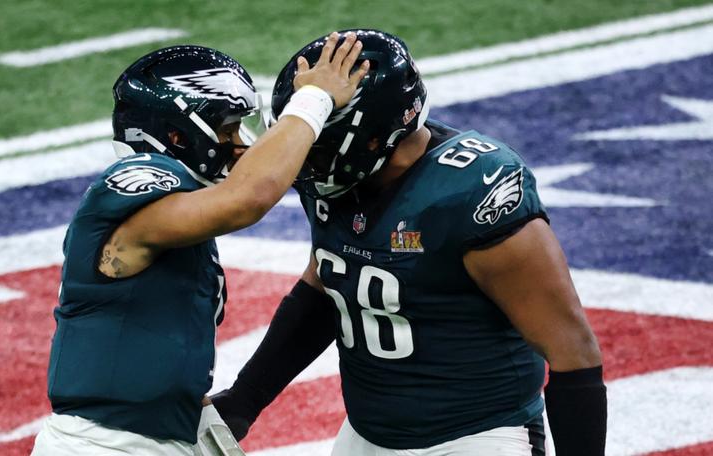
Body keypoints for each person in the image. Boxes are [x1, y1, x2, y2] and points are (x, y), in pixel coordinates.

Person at [212, 29, 606, 456]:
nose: (303, 157)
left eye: (318, 140)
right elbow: (327, 287)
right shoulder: (339, 181)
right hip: (367, 433)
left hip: (476, 437)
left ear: (374, 135)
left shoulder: (470, 191)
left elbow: (573, 351)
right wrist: (245, 399)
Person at [31, 33, 369, 456]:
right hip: (107, 446)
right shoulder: (135, 180)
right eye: (227, 129)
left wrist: (204, 426)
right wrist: (314, 101)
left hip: (152, 438)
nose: (240, 144)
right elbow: (246, 200)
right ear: (178, 134)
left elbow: (154, 353)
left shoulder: (181, 215)